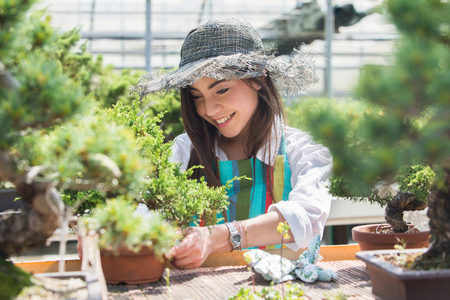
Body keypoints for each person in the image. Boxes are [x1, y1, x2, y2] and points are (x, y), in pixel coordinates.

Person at [134, 18, 333, 270]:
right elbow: (143, 215)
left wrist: (218, 237)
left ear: (258, 78)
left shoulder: (301, 151)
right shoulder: (184, 151)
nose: (209, 109)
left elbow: (307, 217)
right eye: (197, 97)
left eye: (222, 90)